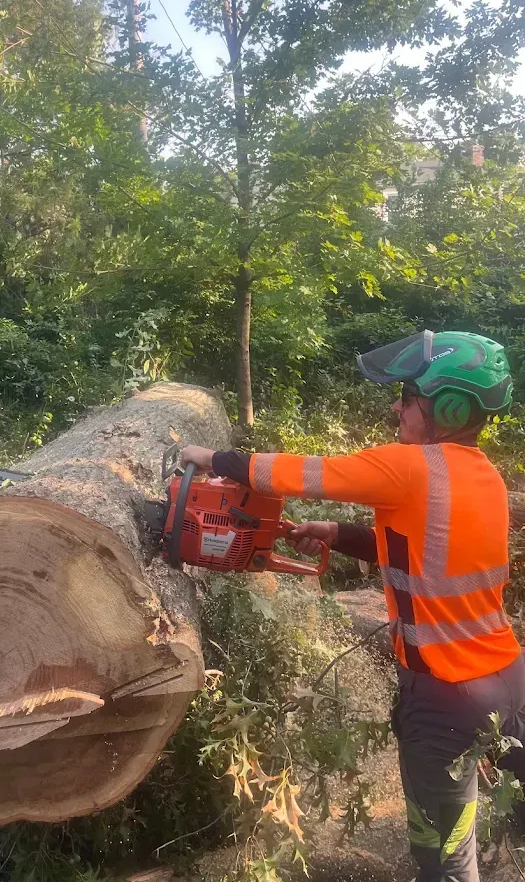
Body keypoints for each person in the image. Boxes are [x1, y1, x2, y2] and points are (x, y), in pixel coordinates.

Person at [181, 330, 523, 882]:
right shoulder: (484, 476)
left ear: (448, 407)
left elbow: (309, 472)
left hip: (444, 695)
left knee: (444, 857)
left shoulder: (412, 467)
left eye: (407, 397)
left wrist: (213, 457)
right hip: (510, 680)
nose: (396, 406)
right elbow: (423, 553)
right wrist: (336, 533)